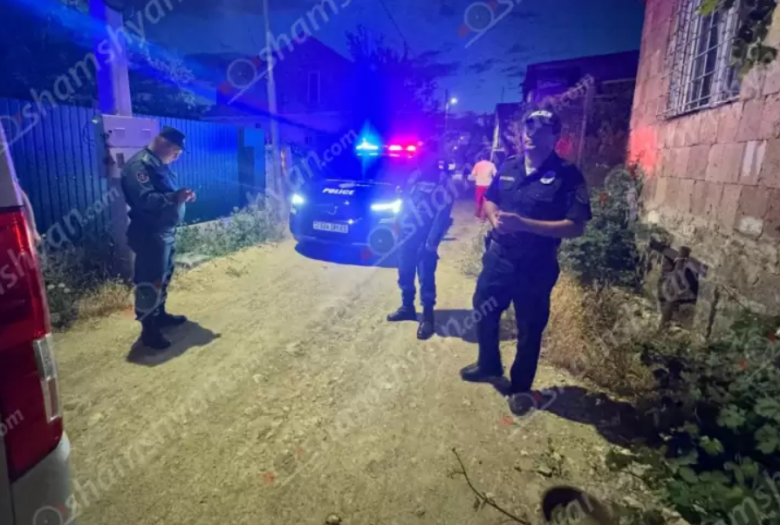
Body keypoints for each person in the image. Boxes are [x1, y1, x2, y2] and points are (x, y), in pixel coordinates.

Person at [459, 108, 592, 412]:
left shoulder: (568, 175)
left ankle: (520, 388)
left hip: (536, 266)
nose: (532, 134)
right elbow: (490, 198)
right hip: (499, 259)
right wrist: (493, 217)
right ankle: (489, 365)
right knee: (483, 311)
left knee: (529, 327)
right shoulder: (509, 166)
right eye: (528, 128)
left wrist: (525, 225)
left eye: (541, 129)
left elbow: (576, 227)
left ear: (555, 136)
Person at [120, 126, 195, 350]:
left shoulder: (158, 165)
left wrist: (182, 196)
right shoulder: (139, 166)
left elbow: (167, 194)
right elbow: (146, 199)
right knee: (149, 280)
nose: (176, 157)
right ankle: (148, 329)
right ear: (163, 143)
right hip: (150, 233)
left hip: (164, 231)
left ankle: (159, 315)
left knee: (162, 277)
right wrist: (175, 197)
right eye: (175, 152)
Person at [386, 154, 454, 340]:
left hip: (425, 238)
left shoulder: (442, 181)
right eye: (418, 158)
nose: (420, 162)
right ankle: (407, 307)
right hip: (406, 236)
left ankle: (428, 317)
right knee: (405, 272)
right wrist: (397, 226)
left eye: (424, 158)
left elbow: (443, 214)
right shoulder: (414, 176)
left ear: (433, 159)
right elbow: (404, 203)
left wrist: (432, 242)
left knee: (425, 276)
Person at [471, 154, 497, 221]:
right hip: (488, 185)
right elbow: (495, 175)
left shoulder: (477, 164)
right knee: (485, 201)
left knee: (478, 200)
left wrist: (477, 179)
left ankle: (477, 215)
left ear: (481, 157)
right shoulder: (492, 165)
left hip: (479, 185)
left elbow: (473, 175)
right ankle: (483, 218)